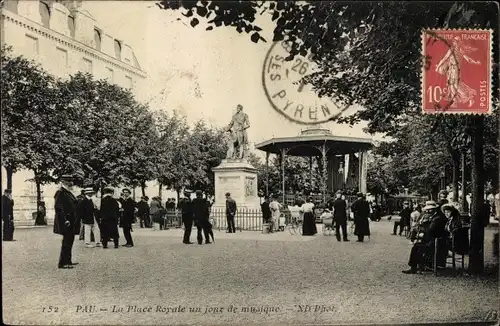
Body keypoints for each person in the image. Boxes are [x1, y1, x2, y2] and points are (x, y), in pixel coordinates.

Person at [402, 203, 448, 274]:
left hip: (435, 242)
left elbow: (431, 230)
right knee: (418, 245)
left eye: (429, 210)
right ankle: (422, 265)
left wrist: (422, 229)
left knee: (416, 247)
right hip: (437, 241)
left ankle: (414, 267)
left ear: (433, 210)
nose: (427, 211)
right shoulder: (437, 217)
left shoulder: (437, 218)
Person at [53, 175, 80, 269]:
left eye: (71, 181)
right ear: (63, 182)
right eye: (69, 181)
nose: (71, 183)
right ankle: (63, 263)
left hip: (71, 220)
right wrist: (65, 220)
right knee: (66, 242)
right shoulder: (60, 193)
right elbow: (59, 208)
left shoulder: (68, 192)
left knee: (69, 241)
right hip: (66, 221)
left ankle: (68, 260)